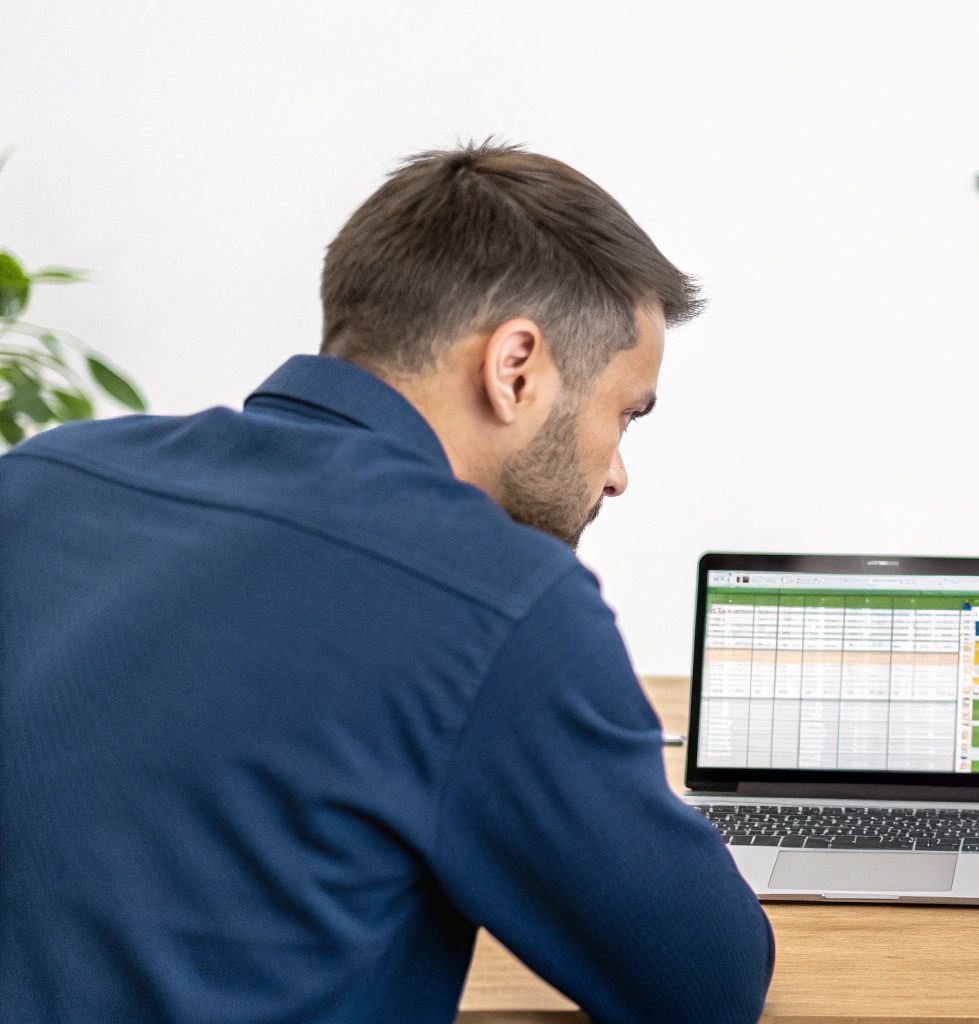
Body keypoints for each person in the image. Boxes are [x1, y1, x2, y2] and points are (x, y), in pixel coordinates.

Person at [0, 143, 773, 1022]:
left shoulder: (39, 481)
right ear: (515, 367)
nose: (618, 474)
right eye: (625, 414)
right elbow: (706, 983)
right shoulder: (499, 601)